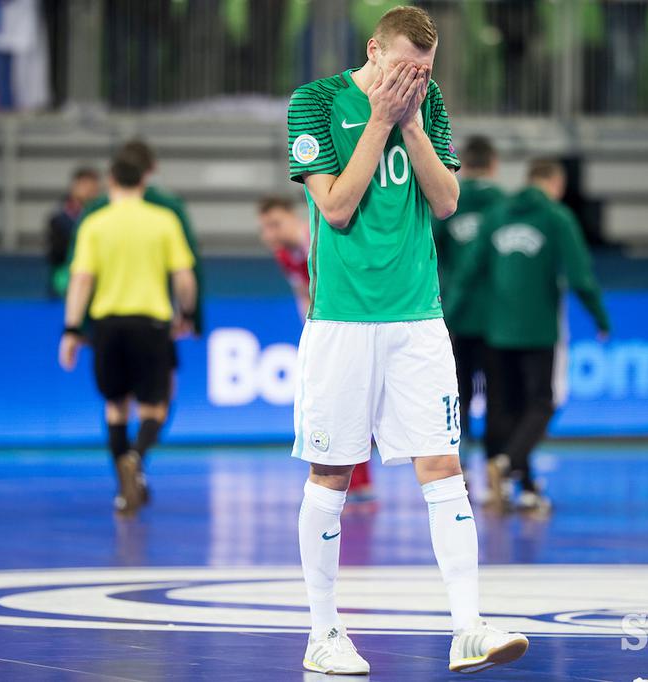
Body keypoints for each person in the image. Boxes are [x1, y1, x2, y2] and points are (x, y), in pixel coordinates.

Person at [286, 6, 528, 675]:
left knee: (443, 465)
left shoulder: (429, 104)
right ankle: (325, 632)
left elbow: (447, 200)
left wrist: (414, 123)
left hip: (418, 319)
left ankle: (467, 626)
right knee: (331, 472)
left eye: (425, 71)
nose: (415, 80)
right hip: (341, 321)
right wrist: (382, 122)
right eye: (404, 69)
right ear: (374, 51)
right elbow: (334, 208)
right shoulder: (315, 103)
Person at [450, 159, 609, 513]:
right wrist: (600, 317)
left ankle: (509, 484)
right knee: (540, 402)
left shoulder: (496, 215)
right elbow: (580, 276)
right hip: (538, 330)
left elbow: (468, 270)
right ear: (556, 184)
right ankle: (508, 463)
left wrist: (450, 317)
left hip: (495, 329)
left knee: (501, 407)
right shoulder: (557, 218)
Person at [59, 155, 197, 517]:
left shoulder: (94, 222)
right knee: (155, 405)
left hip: (107, 326)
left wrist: (72, 329)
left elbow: (81, 279)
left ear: (110, 181)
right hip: (150, 323)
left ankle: (123, 491)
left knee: (115, 406)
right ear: (143, 182)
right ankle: (136, 457)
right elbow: (184, 277)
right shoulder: (163, 221)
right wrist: (187, 314)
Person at [256, 196, 375, 503]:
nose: (269, 233)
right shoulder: (284, 254)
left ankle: (358, 481)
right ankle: (352, 481)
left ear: (293, 218)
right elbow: (302, 292)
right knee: (338, 402)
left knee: (354, 401)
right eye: (265, 227)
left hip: (356, 321)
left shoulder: (321, 236)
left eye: (275, 224)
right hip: (329, 331)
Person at [65, 139, 203, 337]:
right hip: (155, 319)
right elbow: (186, 272)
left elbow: (80, 276)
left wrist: (74, 327)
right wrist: (191, 316)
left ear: (112, 177)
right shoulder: (168, 213)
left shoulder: (95, 215)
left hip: (106, 321)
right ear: (151, 170)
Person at [432, 136, 506, 456]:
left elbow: (429, 252)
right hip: (498, 317)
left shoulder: (446, 200)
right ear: (494, 163)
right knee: (500, 394)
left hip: (455, 313)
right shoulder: (505, 203)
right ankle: (497, 466)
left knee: (455, 391)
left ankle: (455, 466)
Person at [47, 166, 101, 298]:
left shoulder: (102, 217)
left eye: (93, 187)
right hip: (65, 277)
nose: (89, 191)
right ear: (74, 186)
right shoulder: (58, 219)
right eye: (85, 185)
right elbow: (56, 255)